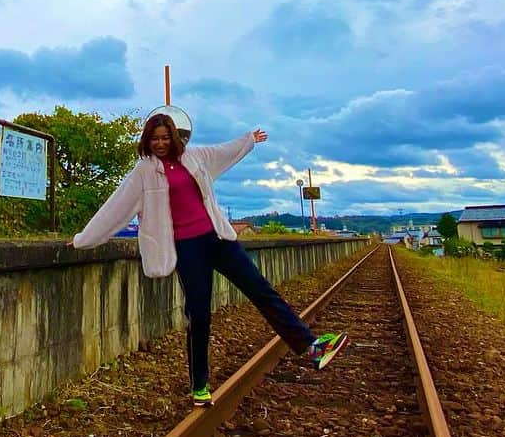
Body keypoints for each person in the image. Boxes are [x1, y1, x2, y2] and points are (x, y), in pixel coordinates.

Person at [70, 112, 349, 405]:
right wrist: (82, 240)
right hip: (187, 249)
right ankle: (199, 386)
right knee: (199, 315)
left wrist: (247, 141)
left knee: (261, 290)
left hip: (218, 239)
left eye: (166, 138)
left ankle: (311, 346)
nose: (161, 144)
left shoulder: (196, 156)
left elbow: (224, 152)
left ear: (175, 137)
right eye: (155, 139)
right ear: (147, 141)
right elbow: (116, 208)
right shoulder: (144, 172)